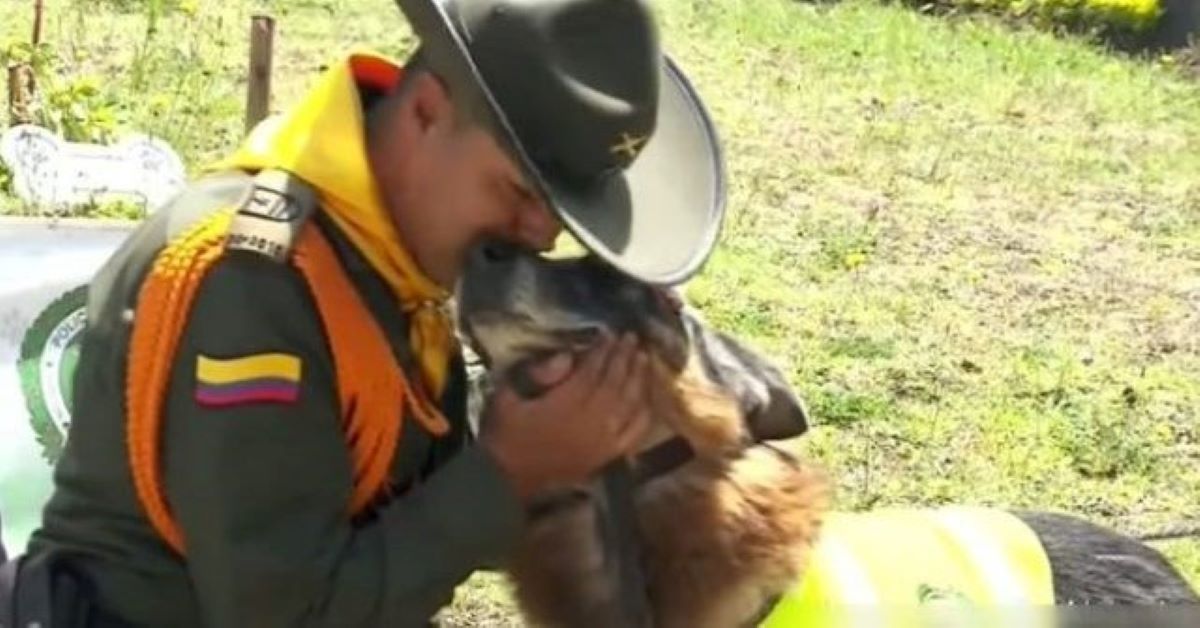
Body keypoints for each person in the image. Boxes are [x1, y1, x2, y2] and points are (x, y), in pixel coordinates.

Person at [1, 0, 729, 626]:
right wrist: (510, 469)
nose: (540, 235)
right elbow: (287, 615)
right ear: (424, 114)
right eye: (519, 190)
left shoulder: (388, 251)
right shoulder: (255, 286)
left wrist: (563, 402)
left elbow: (380, 463)